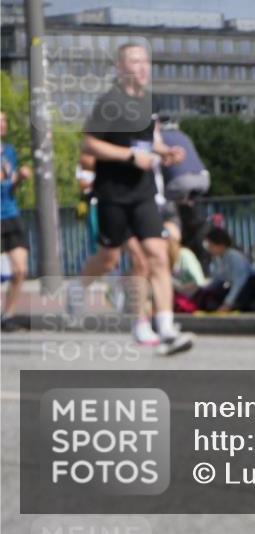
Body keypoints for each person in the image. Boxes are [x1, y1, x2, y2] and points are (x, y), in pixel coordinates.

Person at [72, 43, 193, 355]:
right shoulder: (110, 103)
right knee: (109, 259)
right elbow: (88, 145)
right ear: (121, 68)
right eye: (135, 61)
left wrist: (165, 151)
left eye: (145, 61)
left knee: (155, 254)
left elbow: (150, 138)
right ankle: (78, 287)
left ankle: (162, 326)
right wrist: (129, 156)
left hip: (143, 193)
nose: (142, 67)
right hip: (113, 193)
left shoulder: (147, 101)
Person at [195, 227, 255, 313]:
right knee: (218, 292)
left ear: (221, 244)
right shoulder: (218, 259)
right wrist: (203, 290)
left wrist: (227, 303)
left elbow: (239, 282)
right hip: (241, 289)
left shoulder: (234, 257)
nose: (209, 248)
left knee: (250, 282)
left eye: (211, 245)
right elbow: (217, 280)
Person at [1, 111, 31, 332]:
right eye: (0, 120)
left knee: (20, 270)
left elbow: (8, 185)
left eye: (4, 120)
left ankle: (7, 315)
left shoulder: (9, 151)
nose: (4, 124)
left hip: (11, 214)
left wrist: (18, 178)